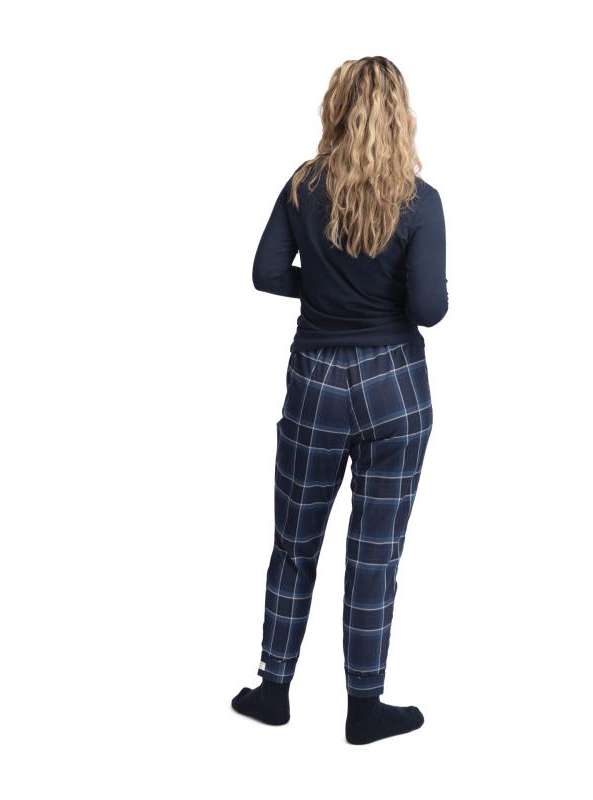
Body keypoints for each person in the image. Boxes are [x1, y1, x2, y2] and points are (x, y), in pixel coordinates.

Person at [231, 56, 448, 745]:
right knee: (374, 552)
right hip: (395, 385)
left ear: (336, 107)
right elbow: (429, 310)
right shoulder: (421, 200)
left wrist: (323, 292)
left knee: (294, 544)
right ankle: (364, 706)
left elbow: (267, 273)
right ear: (401, 115)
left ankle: (273, 690)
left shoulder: (303, 186)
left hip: (316, 380)